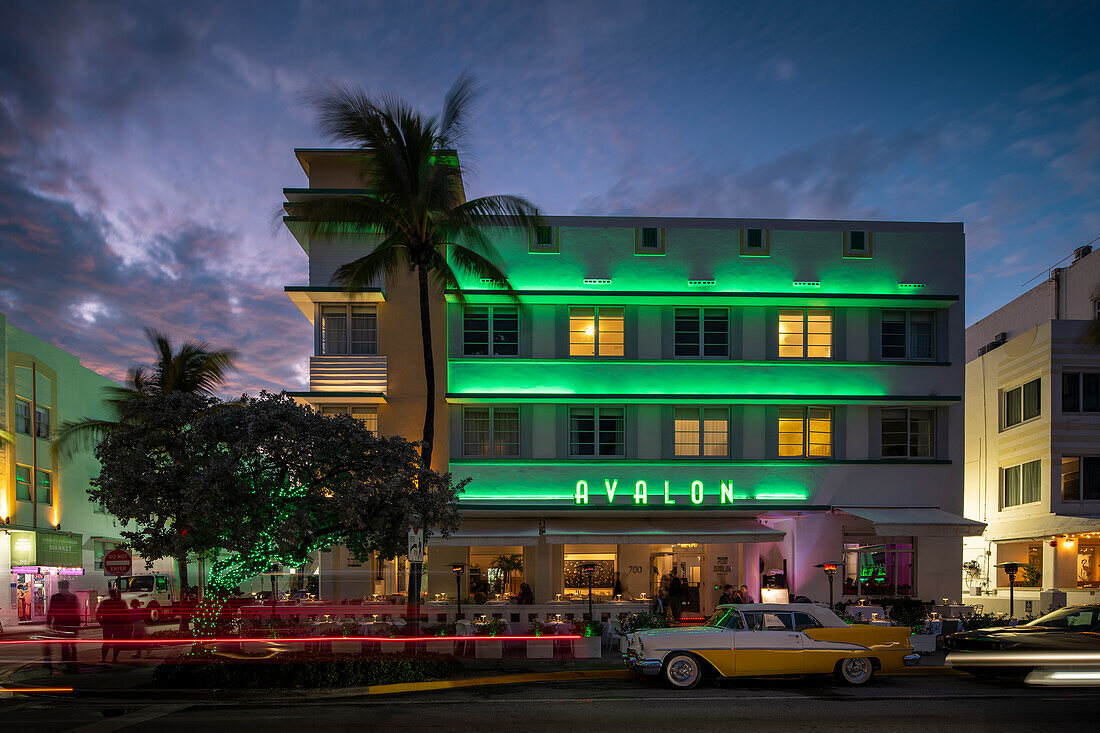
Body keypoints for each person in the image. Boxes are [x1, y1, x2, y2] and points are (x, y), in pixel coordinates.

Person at [46, 579, 81, 673]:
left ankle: (66, 660)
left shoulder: (55, 597)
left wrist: (49, 623)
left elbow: (51, 610)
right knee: (72, 643)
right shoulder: (73, 597)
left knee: (64, 643)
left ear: (59, 587)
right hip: (72, 622)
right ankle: (73, 659)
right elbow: (76, 611)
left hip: (60, 622)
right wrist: (78, 623)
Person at [95, 588, 130, 663]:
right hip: (118, 625)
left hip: (108, 624)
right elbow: (126, 614)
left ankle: (104, 658)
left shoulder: (105, 603)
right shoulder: (122, 603)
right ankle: (114, 658)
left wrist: (101, 622)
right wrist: (125, 624)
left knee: (106, 642)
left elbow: (98, 613)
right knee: (116, 642)